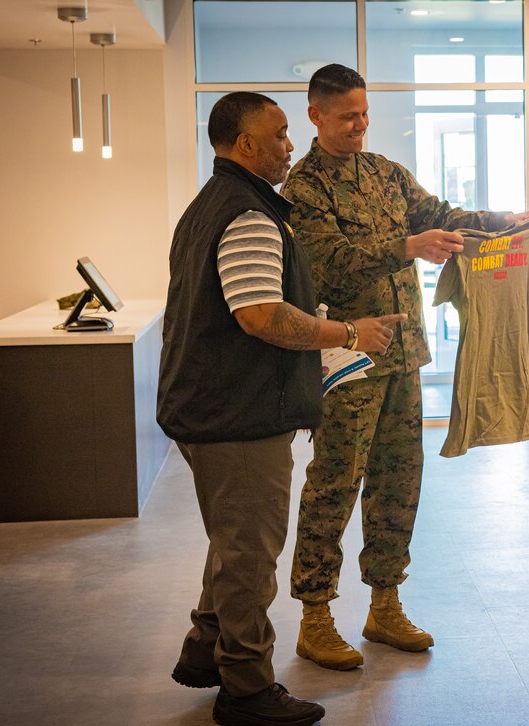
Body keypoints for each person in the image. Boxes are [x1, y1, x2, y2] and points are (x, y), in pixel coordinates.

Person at [282, 64, 529, 670]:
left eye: (364, 113)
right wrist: (403, 248)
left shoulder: (386, 175)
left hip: (402, 357)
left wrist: (510, 220)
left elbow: (442, 215)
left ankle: (385, 603)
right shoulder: (304, 189)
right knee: (334, 485)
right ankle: (315, 615)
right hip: (347, 361)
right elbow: (327, 264)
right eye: (347, 115)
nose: (360, 125)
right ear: (316, 115)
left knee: (399, 483)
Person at [157, 91, 404, 726]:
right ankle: (247, 688)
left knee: (231, 538)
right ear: (245, 145)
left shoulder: (208, 206)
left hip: (209, 406)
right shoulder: (248, 214)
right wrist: (347, 334)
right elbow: (262, 316)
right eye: (281, 133)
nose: (290, 145)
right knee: (249, 554)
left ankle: (204, 651)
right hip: (236, 415)